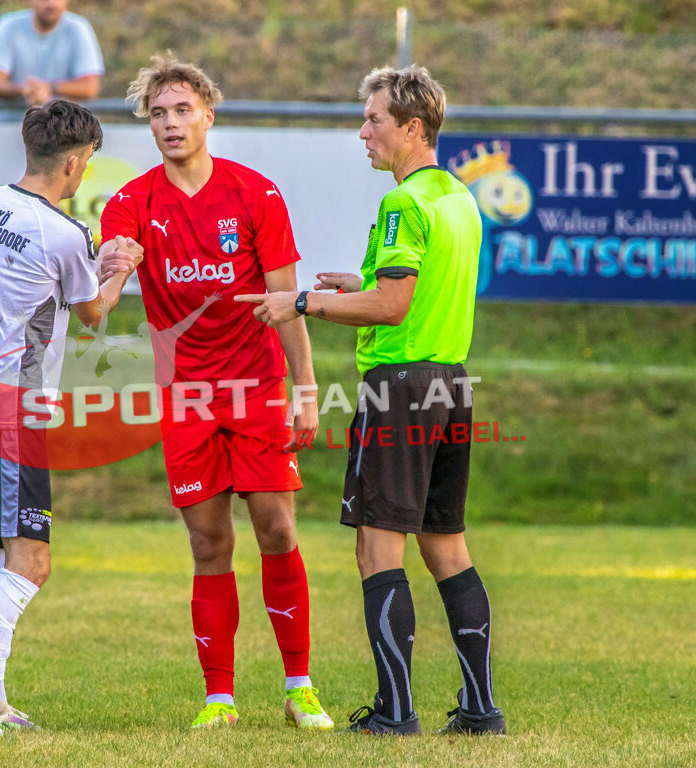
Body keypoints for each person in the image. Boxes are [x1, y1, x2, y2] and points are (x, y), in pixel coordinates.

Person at [236, 65, 507, 736]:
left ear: (412, 128)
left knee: (377, 551)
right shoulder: (459, 198)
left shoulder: (403, 203)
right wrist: (356, 285)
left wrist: (303, 301)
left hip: (400, 391)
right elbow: (416, 292)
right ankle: (480, 711)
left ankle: (395, 713)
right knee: (447, 548)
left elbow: (392, 307)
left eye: (374, 120)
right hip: (450, 383)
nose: (363, 132)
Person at [97, 53, 333, 731]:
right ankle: (219, 700)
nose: (170, 123)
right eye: (157, 114)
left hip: (257, 386)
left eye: (181, 110)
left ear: (208, 114)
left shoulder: (256, 195)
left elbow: (287, 302)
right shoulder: (131, 203)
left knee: (278, 529)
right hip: (186, 398)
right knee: (208, 544)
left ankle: (299, 688)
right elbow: (108, 280)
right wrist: (114, 266)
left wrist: (306, 387)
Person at [0, 100, 143, 736]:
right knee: (31, 562)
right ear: (76, 163)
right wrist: (119, 269)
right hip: (12, 412)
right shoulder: (62, 232)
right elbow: (92, 314)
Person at [0, 0, 104, 108]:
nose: (51, 4)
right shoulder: (8, 25)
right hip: (11, 122)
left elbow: (90, 88)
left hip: (63, 124)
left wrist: (49, 88)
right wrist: (26, 90)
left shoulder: (79, 27)